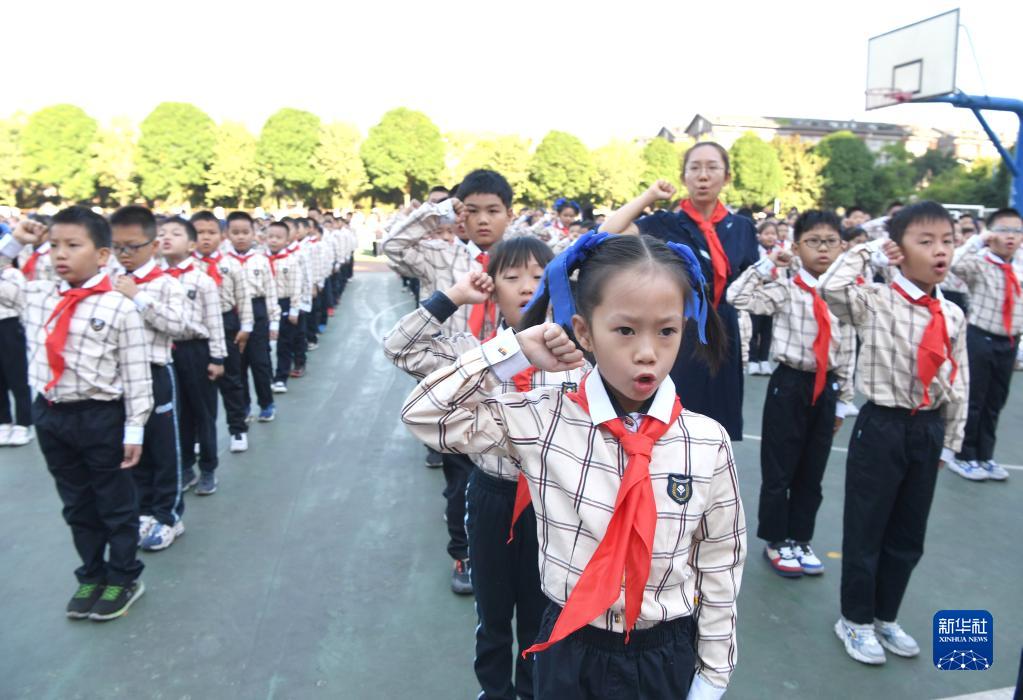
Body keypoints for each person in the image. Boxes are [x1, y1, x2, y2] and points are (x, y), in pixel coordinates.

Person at [402, 232, 745, 700]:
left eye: (666, 331)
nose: (647, 351)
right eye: (625, 330)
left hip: (665, 650)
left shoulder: (707, 441)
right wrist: (514, 352)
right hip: (569, 644)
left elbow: (720, 560)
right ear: (583, 332)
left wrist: (713, 674)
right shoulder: (545, 419)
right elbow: (424, 415)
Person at [386, 237, 575, 700]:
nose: (526, 287)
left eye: (539, 277)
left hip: (554, 503)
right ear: (492, 288)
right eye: (511, 277)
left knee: (542, 614)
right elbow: (400, 348)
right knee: (492, 615)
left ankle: (531, 692)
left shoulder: (575, 359)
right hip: (493, 493)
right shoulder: (473, 353)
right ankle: (494, 692)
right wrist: (455, 295)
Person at [820, 201, 967, 666]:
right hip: (882, 425)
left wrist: (951, 441)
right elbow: (831, 287)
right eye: (926, 242)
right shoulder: (876, 300)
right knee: (867, 528)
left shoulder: (953, 314)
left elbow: (959, 380)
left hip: (927, 428)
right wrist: (868, 250)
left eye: (947, 241)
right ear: (899, 251)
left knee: (908, 534)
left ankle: (886, 615)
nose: (940, 251)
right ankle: (855, 620)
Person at [13, 207, 151, 621]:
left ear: (102, 254)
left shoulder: (119, 307)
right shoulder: (37, 295)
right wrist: (15, 242)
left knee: (115, 502)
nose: (61, 254)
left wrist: (135, 430)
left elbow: (136, 374)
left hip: (100, 416)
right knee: (76, 503)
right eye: (54, 245)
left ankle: (123, 576)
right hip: (52, 414)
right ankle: (91, 574)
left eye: (74, 245)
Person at [383, 169, 517, 593]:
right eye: (471, 210)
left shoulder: (520, 261)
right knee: (460, 482)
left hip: (510, 386)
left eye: (493, 210)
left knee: (508, 477)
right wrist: (438, 210)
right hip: (456, 386)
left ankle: (507, 550)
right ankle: (463, 554)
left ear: (509, 215)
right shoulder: (441, 257)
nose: (482, 220)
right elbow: (392, 246)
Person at [601, 147, 760, 440]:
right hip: (679, 329)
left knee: (717, 425)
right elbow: (606, 233)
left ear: (727, 177)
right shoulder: (665, 223)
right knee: (673, 420)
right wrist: (649, 196)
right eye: (694, 168)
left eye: (712, 168)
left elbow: (751, 279)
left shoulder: (742, 227)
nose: (703, 176)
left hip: (725, 330)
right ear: (683, 177)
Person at [727, 210, 853, 578]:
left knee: (813, 471)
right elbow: (737, 296)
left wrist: (843, 401)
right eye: (813, 241)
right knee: (779, 468)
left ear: (842, 247)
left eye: (830, 242)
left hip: (826, 387)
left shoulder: (844, 295)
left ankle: (800, 538)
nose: (822, 249)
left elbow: (848, 348)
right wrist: (769, 264)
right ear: (796, 247)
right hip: (790, 383)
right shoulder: (785, 289)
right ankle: (776, 539)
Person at [109, 206, 188, 552]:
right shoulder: (110, 280)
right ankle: (143, 510)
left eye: (132, 246)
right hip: (120, 376)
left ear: (153, 246)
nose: (124, 254)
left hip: (155, 371)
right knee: (132, 445)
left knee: (163, 446)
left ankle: (168, 515)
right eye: (117, 247)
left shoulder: (166, 284)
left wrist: (137, 297)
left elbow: (178, 325)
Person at [947, 207, 1022, 482]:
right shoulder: (979, 262)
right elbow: (953, 264)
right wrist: (977, 240)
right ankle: (963, 455)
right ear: (990, 233)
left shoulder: (1019, 264)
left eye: (1017, 231)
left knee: (995, 401)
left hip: (1009, 341)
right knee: (974, 400)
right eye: (1003, 230)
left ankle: (985, 455)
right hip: (980, 338)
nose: (1011, 236)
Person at [159, 217, 226, 497]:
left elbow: (214, 320)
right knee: (177, 414)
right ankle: (185, 467)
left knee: (203, 412)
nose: (166, 238)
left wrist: (217, 358)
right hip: (165, 351)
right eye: (162, 233)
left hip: (195, 350)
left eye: (175, 233)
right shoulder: (155, 280)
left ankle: (208, 468)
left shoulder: (202, 280)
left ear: (191, 245)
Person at [190, 211, 253, 453]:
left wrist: (246, 327)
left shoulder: (231, 264)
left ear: (222, 235)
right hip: (196, 327)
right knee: (197, 384)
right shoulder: (185, 267)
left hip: (227, 323)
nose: (206, 237)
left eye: (211, 232)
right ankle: (198, 434)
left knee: (231, 380)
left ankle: (237, 429)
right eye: (199, 232)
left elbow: (243, 297)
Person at [225, 211, 280, 424]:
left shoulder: (261, 260)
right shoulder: (223, 261)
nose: (240, 236)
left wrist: (274, 321)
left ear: (253, 233)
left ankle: (266, 404)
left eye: (245, 232)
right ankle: (244, 405)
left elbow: (271, 291)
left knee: (260, 362)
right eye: (235, 232)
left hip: (257, 311)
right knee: (237, 364)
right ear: (227, 234)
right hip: (233, 314)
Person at [265, 222, 303, 393]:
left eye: (278, 237)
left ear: (287, 240)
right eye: (270, 236)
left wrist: (294, 309)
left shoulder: (291, 261)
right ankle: (266, 377)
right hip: (264, 304)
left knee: (284, 343)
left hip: (284, 302)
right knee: (263, 344)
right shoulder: (260, 260)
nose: (274, 240)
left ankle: (281, 377)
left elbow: (296, 286)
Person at [0, 253, 31, 446]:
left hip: (9, 325)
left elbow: (20, 301)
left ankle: (23, 423)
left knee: (18, 377)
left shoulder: (12, 274)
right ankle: (4, 421)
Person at [747, 219, 778, 375]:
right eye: (766, 233)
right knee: (754, 328)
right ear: (759, 235)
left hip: (772, 295)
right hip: (756, 293)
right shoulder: (754, 251)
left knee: (767, 329)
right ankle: (753, 360)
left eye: (773, 234)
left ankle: (764, 360)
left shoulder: (780, 252)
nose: (770, 237)